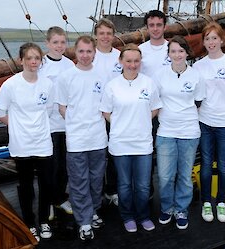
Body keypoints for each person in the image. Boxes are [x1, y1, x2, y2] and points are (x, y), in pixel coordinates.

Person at [0, 42, 54, 242]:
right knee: (26, 185)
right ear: (21, 61)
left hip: (43, 142)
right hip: (22, 145)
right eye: (29, 58)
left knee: (46, 183)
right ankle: (29, 222)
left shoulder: (47, 84)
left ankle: (44, 220)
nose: (33, 62)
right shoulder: (11, 85)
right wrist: (17, 126)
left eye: (37, 58)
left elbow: (49, 109)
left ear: (41, 61)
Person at [100, 44, 162, 233]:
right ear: (121, 62)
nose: (132, 65)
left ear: (140, 62)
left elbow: (155, 108)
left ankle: (143, 216)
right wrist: (121, 124)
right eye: (128, 61)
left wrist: (139, 122)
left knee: (143, 185)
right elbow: (106, 111)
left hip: (143, 142)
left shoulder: (148, 83)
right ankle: (127, 216)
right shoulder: (112, 86)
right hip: (120, 143)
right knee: (125, 185)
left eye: (136, 61)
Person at [55, 35, 108, 241]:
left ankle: (93, 210)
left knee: (96, 180)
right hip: (76, 139)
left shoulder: (102, 75)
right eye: (81, 51)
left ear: (94, 52)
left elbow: (106, 104)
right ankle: (84, 221)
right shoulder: (66, 77)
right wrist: (77, 123)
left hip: (98, 137)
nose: (85, 56)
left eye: (89, 51)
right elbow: (62, 107)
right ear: (75, 52)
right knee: (79, 182)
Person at [193, 21, 225, 223]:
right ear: (204, 42)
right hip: (205, 122)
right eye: (207, 38)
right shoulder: (198, 66)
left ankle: (221, 202)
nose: (211, 42)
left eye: (215, 38)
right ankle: (207, 202)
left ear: (222, 40)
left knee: (223, 165)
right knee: (206, 164)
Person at [154, 35, 205, 229]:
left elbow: (198, 101)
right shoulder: (159, 75)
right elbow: (154, 100)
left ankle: (181, 209)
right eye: (173, 51)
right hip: (166, 131)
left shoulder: (195, 75)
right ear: (168, 54)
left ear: (187, 53)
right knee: (165, 176)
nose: (177, 55)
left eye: (181, 51)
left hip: (189, 132)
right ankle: (167, 208)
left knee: (184, 175)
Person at [39, 26, 74, 220]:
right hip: (48, 125)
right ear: (47, 43)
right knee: (49, 166)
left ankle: (60, 198)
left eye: (62, 42)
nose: (59, 46)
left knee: (64, 166)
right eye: (55, 42)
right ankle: (49, 201)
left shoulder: (69, 65)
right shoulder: (41, 65)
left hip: (66, 124)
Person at [139, 9, 170, 199]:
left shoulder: (172, 48)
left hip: (170, 109)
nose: (156, 29)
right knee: (147, 151)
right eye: (152, 25)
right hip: (148, 110)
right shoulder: (141, 51)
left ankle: (168, 191)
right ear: (147, 27)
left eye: (159, 25)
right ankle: (147, 190)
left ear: (164, 26)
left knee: (167, 152)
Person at [93, 18, 122, 206]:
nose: (105, 37)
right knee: (96, 155)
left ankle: (112, 189)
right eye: (101, 33)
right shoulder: (89, 55)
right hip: (93, 113)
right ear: (96, 35)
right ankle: (95, 192)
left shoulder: (120, 56)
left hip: (115, 113)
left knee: (114, 152)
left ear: (113, 36)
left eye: (108, 33)